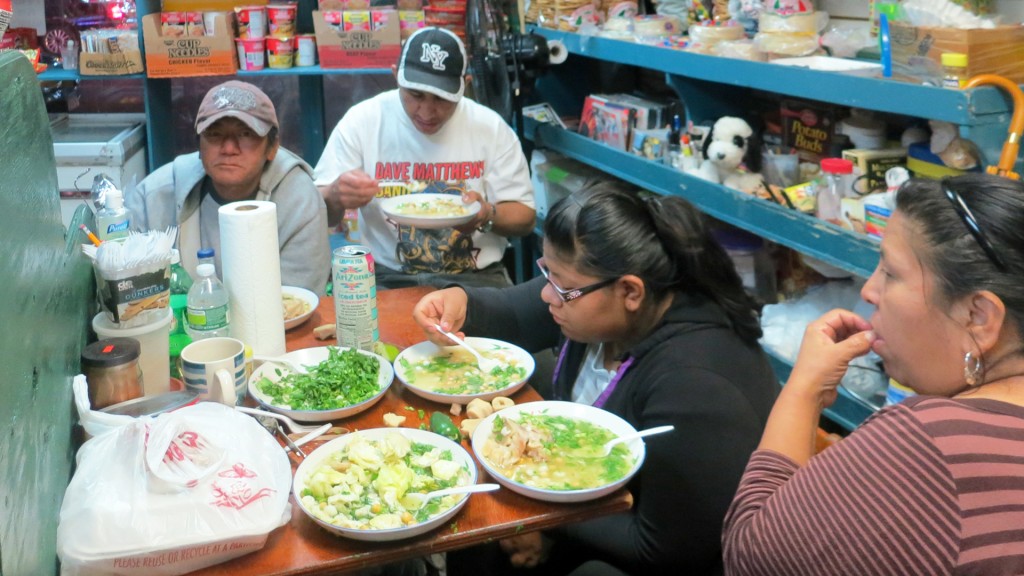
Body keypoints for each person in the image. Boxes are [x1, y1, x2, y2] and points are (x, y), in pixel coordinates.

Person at [411, 183, 779, 574]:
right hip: (589, 517)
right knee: (476, 535)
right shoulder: (597, 298)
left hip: (646, 557)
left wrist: (543, 521)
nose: (548, 296)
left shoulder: (695, 384)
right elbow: (515, 314)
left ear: (630, 291)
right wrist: (458, 301)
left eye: (562, 286)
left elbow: (662, 548)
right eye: (546, 274)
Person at [722, 173, 1024, 575]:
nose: (868, 290)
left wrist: (803, 390)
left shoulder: (927, 443)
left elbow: (751, 557)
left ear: (978, 316)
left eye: (891, 273)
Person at [313, 26, 536, 289]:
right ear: (396, 77)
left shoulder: (491, 128)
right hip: (387, 276)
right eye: (415, 95)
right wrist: (336, 195)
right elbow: (317, 213)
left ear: (465, 85)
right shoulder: (363, 121)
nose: (427, 112)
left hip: (476, 278)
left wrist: (486, 214)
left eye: (442, 98)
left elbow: (525, 218)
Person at [127, 80, 331, 295]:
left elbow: (297, 302)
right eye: (214, 134)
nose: (229, 148)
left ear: (272, 147)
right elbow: (131, 296)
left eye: (245, 134)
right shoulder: (152, 196)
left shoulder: (299, 200)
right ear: (199, 144)